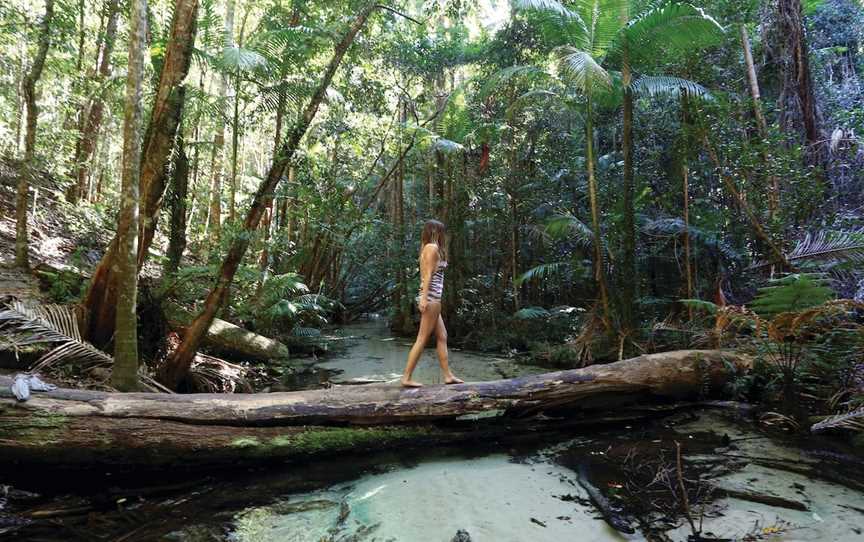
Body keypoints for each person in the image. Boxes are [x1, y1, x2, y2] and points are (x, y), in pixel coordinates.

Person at [401, 219, 464, 388]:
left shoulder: (428, 248)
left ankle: (448, 375)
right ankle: (406, 377)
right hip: (431, 299)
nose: (444, 235)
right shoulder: (432, 248)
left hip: (431, 297)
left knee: (442, 336)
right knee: (422, 339)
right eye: (442, 231)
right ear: (435, 231)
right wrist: (424, 298)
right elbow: (427, 275)